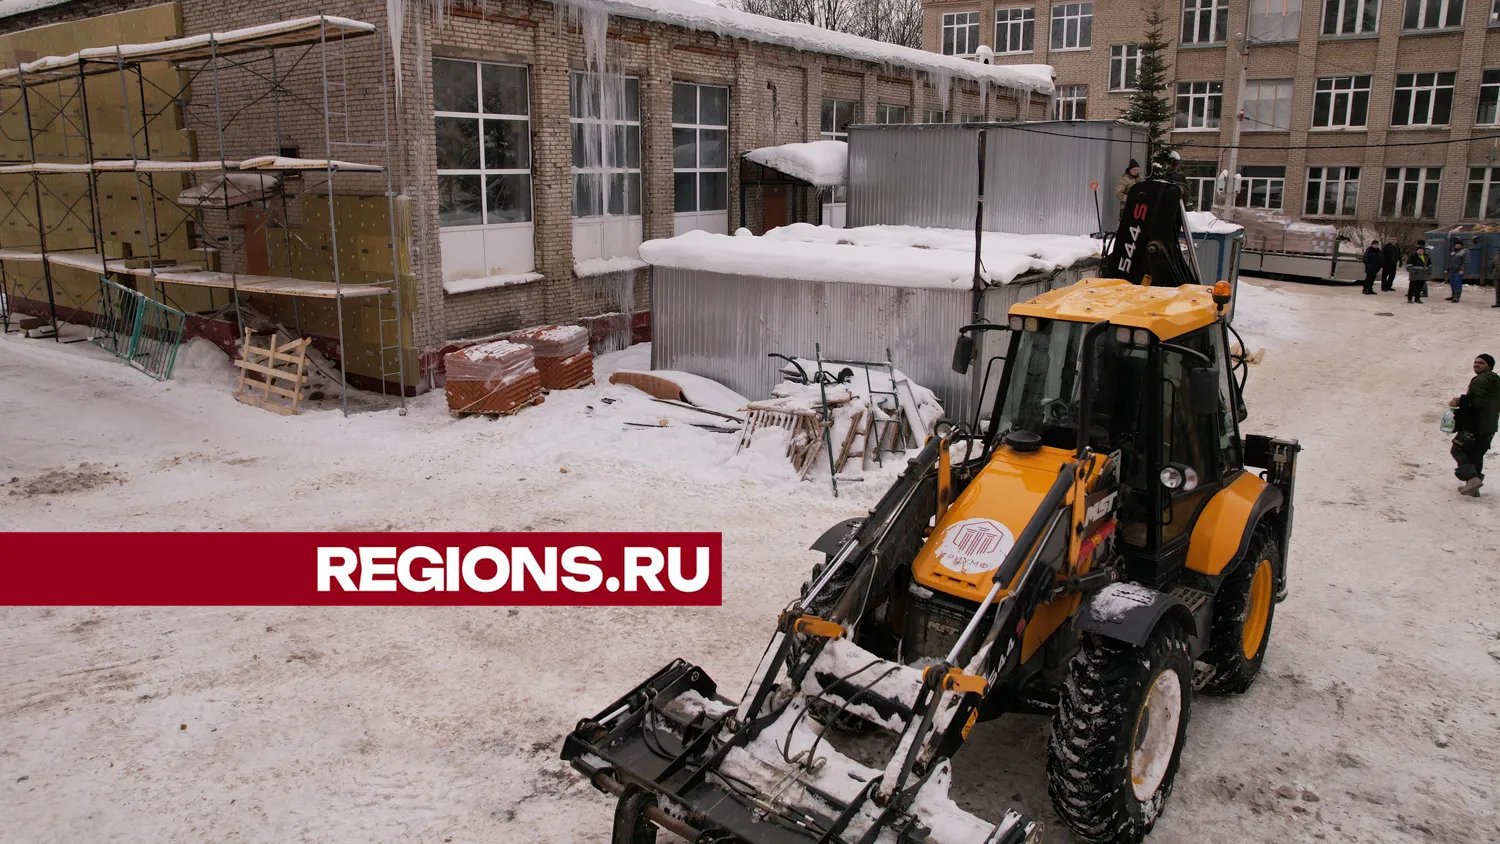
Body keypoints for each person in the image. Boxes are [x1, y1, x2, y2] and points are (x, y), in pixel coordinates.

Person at [1450, 354, 1500, 496]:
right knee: (1476, 454)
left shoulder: (1481, 379)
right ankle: (1474, 488)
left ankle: (1471, 479)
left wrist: (1460, 401)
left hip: (1475, 424)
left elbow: (1479, 402)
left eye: (1481, 363)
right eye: (1475, 362)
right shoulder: (1496, 381)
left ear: (1489, 366)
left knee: (1458, 449)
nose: (1476, 365)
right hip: (1490, 426)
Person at [1446, 238, 1468, 302]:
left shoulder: (1464, 251)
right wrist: (1447, 269)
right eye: (1456, 244)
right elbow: (1450, 261)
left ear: (1461, 245)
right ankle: (1453, 296)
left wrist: (1462, 269)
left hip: (1458, 271)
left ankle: (1457, 297)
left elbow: (1466, 261)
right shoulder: (1453, 252)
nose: (1457, 246)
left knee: (1457, 284)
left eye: (1459, 245)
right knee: (1452, 283)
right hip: (1452, 270)